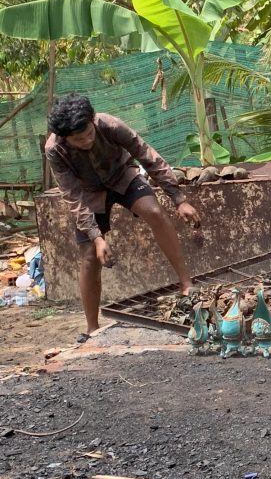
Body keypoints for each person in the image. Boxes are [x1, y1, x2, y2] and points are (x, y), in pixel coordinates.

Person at [45, 94, 198, 340]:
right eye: (78, 140)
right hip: (88, 193)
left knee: (154, 212)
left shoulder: (110, 125)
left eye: (89, 134)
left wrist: (179, 199)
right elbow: (72, 196)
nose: (85, 141)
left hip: (123, 176)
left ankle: (186, 284)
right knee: (88, 257)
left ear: (93, 121)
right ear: (65, 138)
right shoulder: (54, 150)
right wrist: (96, 238)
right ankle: (92, 328)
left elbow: (147, 155)